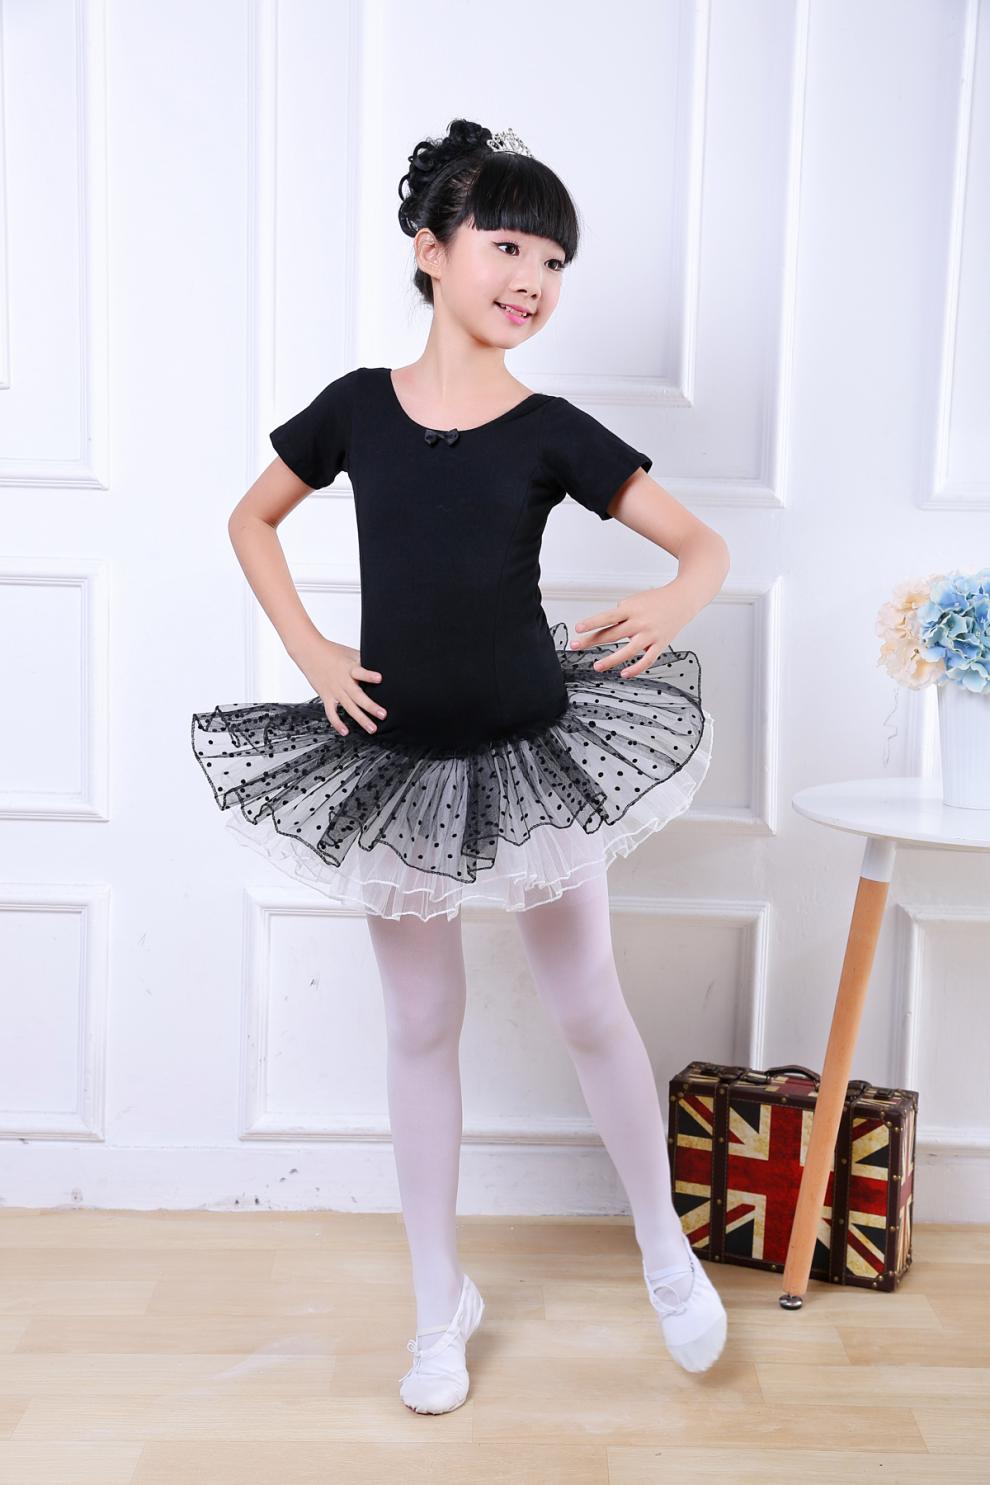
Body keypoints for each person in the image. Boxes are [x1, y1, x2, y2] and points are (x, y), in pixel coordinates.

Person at [191, 118, 730, 1412]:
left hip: (533, 757)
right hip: (397, 764)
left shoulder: (549, 427)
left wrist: (675, 599)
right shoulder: (354, 409)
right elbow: (250, 518)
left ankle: (663, 1246)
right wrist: (313, 648)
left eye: (554, 260)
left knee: (587, 1003)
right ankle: (439, 1304)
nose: (532, 277)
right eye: (508, 246)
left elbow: (700, 546)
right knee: (421, 1025)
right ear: (431, 251)